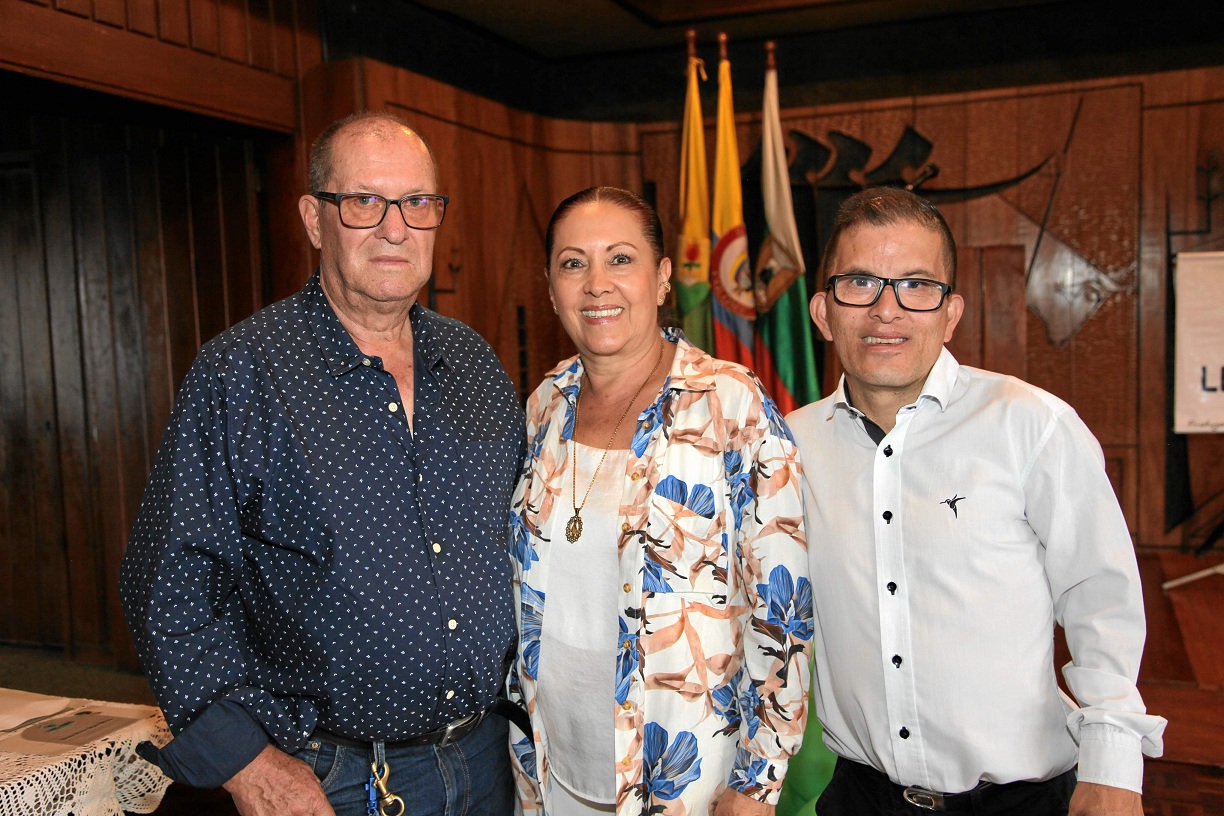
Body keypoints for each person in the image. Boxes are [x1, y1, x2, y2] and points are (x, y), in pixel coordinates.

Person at [118, 111, 525, 816]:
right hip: (332, 778)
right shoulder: (241, 373)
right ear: (314, 218)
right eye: (365, 201)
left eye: (418, 204)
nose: (395, 228)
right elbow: (169, 589)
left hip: (488, 762)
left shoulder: (475, 366)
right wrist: (247, 764)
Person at [786, 186, 1167, 816]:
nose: (888, 310)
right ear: (823, 312)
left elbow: (1102, 599)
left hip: (1018, 802)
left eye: (915, 284)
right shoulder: (788, 447)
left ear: (951, 313)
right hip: (858, 795)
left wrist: (1114, 765)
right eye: (860, 282)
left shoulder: (1031, 425)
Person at [506, 186, 812, 816]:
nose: (597, 284)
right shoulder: (543, 406)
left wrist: (758, 783)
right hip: (551, 773)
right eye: (573, 263)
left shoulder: (730, 405)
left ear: (663, 277)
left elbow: (784, 614)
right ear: (550, 283)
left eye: (621, 259)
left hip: (686, 786)